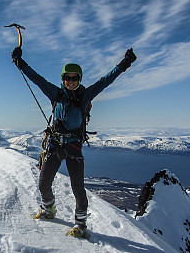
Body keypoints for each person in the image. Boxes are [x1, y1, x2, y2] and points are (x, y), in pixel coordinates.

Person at [11, 46, 136, 237]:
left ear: (79, 79)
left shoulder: (85, 96)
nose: (70, 81)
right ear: (63, 79)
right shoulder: (55, 93)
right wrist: (21, 64)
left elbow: (105, 81)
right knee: (43, 184)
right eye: (67, 78)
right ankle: (49, 209)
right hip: (54, 145)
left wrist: (123, 65)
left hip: (73, 146)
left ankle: (80, 224)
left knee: (78, 188)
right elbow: (37, 79)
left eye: (74, 78)